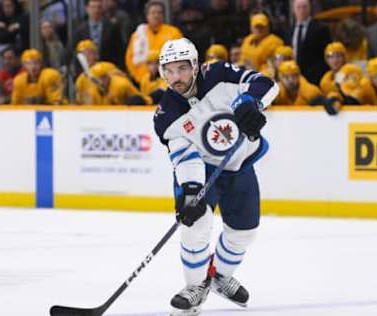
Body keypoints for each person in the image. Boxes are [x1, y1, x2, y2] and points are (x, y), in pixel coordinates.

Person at [154, 38, 279, 315]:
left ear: (196, 65)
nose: (176, 77)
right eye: (169, 70)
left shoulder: (220, 74)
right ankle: (195, 287)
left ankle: (218, 276)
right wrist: (190, 190)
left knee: (244, 232)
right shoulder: (166, 115)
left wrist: (250, 102)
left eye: (183, 69)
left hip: (240, 165)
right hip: (201, 170)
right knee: (196, 224)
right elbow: (185, 156)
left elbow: (266, 84)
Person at [125, 0, 183, 83]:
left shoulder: (173, 32)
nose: (156, 15)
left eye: (159, 13)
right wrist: (140, 78)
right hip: (142, 81)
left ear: (163, 15)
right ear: (147, 15)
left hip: (167, 80)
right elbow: (129, 58)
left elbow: (180, 55)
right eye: (153, 12)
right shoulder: (138, 34)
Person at [286, 0, 331, 84]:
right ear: (293, 10)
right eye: (298, 8)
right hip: (293, 77)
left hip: (315, 77)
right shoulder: (289, 30)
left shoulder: (321, 29)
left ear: (310, 8)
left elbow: (326, 53)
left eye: (304, 7)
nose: (302, 11)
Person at [77, 61, 151, 105]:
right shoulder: (92, 90)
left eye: (103, 77)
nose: (100, 82)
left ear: (108, 76)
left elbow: (141, 99)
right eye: (97, 79)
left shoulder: (122, 84)